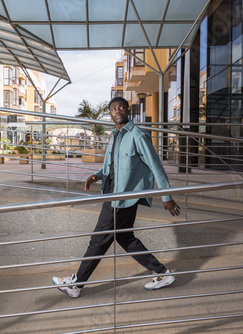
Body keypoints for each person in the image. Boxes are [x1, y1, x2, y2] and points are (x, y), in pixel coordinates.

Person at [52, 97, 181, 298]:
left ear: (127, 111)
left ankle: (76, 284)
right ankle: (162, 273)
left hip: (122, 199)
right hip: (112, 193)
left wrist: (166, 197)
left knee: (98, 240)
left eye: (121, 107)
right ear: (110, 113)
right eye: (113, 108)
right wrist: (98, 175)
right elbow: (111, 167)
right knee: (125, 237)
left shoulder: (138, 136)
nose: (117, 110)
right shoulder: (114, 136)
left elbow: (156, 167)